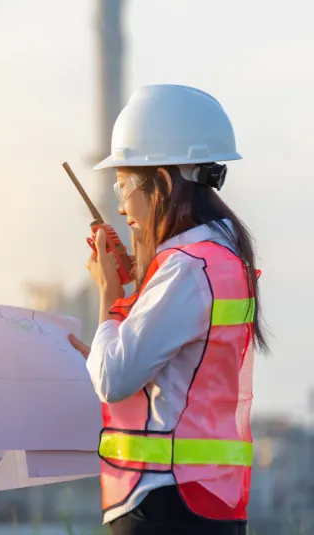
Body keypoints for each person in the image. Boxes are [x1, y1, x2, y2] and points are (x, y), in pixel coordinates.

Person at [68, 84, 267, 535]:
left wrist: (112, 295)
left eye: (122, 185)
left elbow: (113, 380)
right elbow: (185, 381)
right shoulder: (221, 259)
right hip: (208, 499)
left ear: (159, 182)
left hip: (164, 503)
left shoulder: (184, 270)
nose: (120, 206)